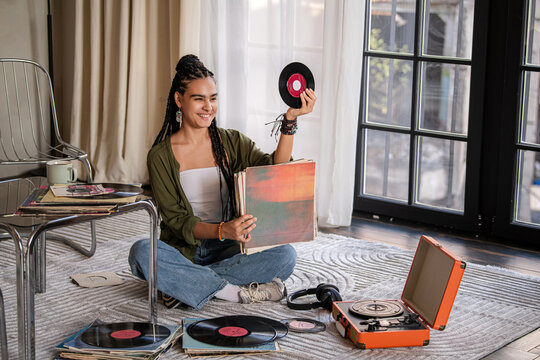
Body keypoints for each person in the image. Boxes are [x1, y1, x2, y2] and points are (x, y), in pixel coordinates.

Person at [128, 54, 316, 310]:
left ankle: (185, 285)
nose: (208, 106)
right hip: (186, 250)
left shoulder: (231, 142)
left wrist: (290, 120)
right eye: (199, 99)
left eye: (213, 98)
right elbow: (178, 222)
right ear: (179, 100)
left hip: (229, 250)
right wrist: (221, 229)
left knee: (285, 256)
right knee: (141, 252)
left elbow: (275, 171)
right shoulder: (160, 156)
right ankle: (233, 293)